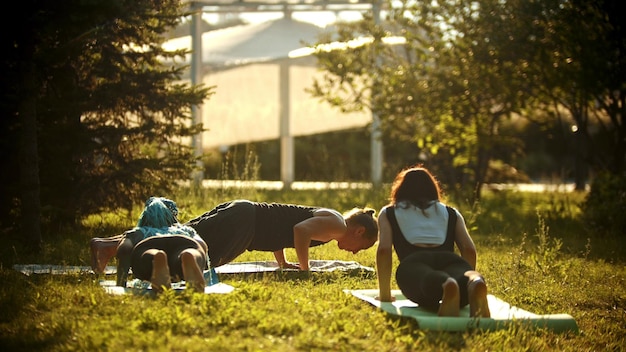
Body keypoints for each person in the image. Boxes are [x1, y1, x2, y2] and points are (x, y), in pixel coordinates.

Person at [91, 199, 379, 280]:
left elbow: (285, 228)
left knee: (182, 236)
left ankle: (108, 245)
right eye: (361, 248)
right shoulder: (337, 224)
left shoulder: (332, 223)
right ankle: (114, 249)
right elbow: (299, 231)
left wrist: (285, 262)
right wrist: (306, 271)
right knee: (197, 254)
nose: (355, 253)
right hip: (245, 224)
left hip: (243, 213)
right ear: (359, 232)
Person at [376, 165, 490, 317]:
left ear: (400, 189)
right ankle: (473, 282)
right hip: (450, 261)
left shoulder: (389, 212)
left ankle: (446, 285)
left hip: (415, 262)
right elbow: (469, 249)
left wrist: (385, 295)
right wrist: (464, 273)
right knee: (461, 277)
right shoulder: (450, 212)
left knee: (427, 278)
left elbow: (384, 250)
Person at [113, 197, 209, 293]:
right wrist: (201, 264)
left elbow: (124, 249)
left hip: (149, 244)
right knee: (190, 251)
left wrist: (121, 282)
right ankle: (188, 255)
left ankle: (156, 258)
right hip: (182, 243)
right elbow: (201, 244)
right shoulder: (185, 230)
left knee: (149, 256)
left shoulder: (140, 232)